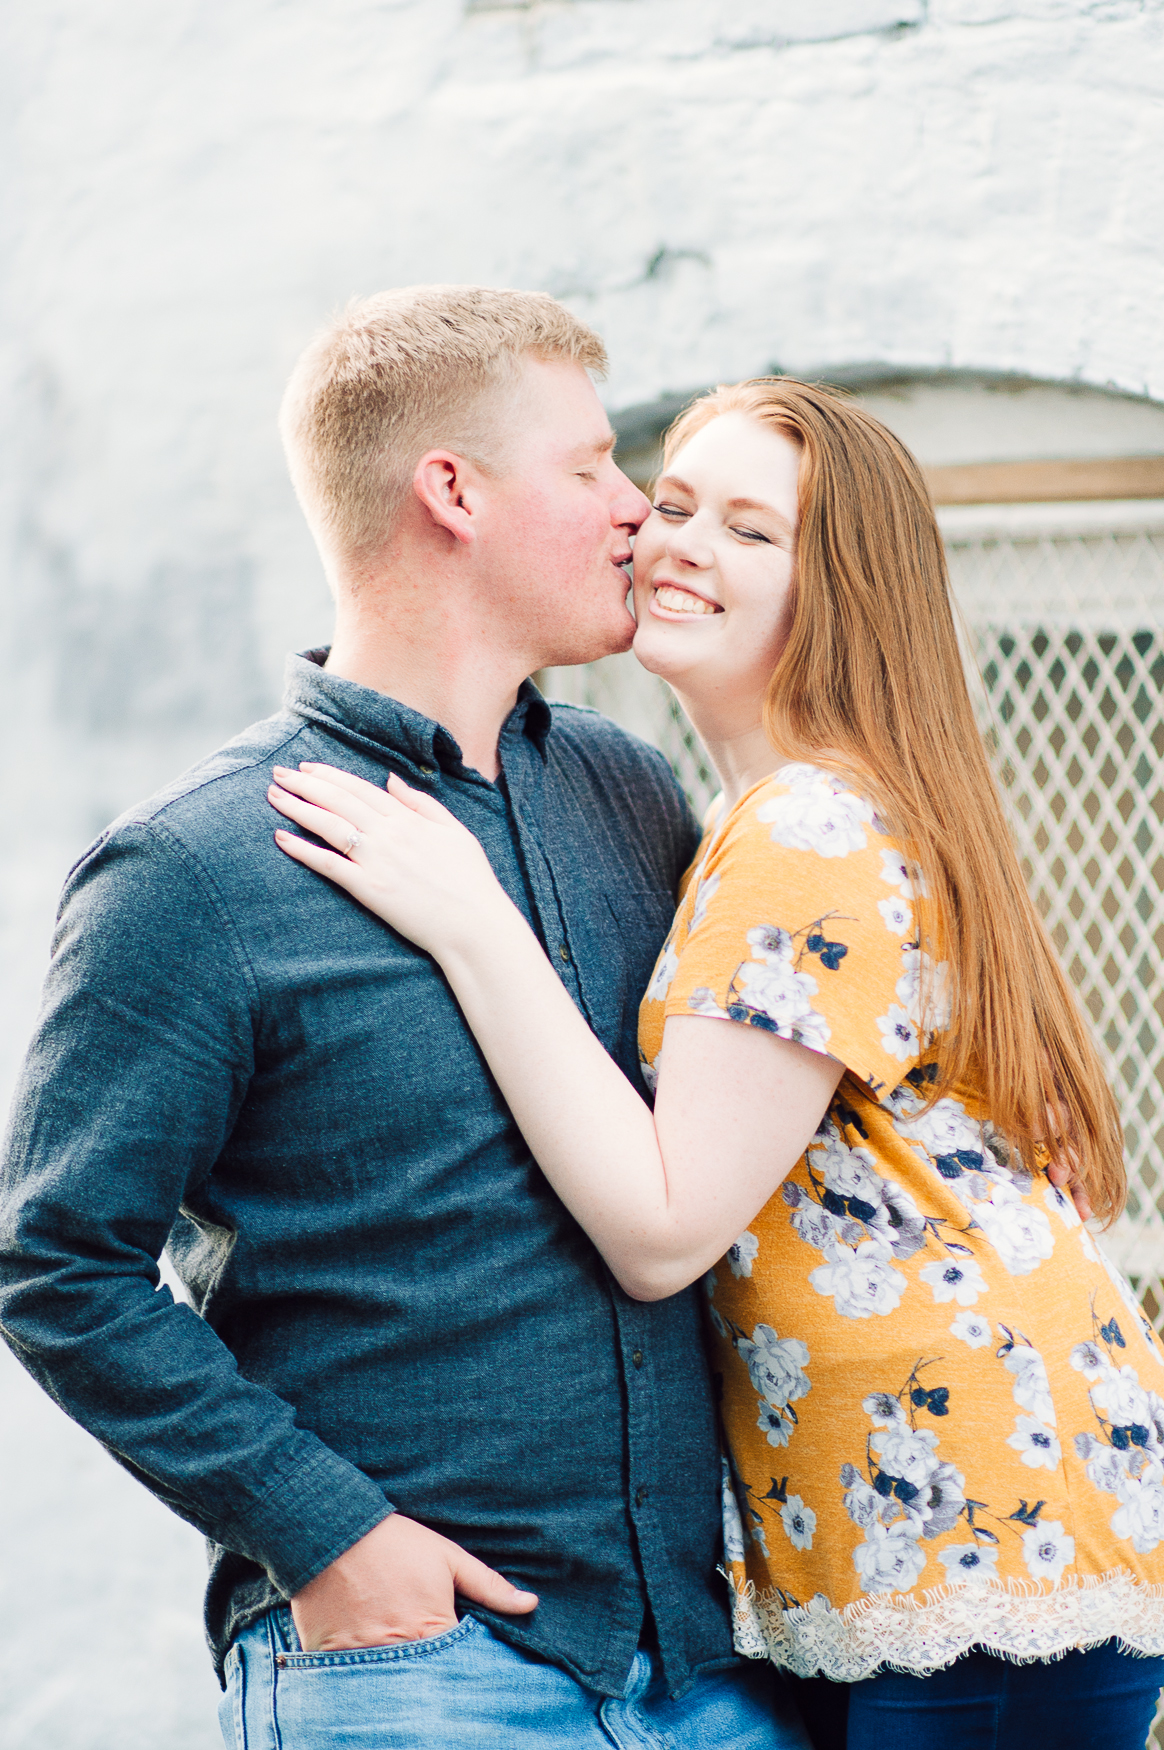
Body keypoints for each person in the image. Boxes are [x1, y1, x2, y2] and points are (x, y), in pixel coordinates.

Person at [266, 376, 1164, 1750]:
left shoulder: (804, 825)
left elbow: (664, 1225)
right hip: (974, 1527)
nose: (680, 541)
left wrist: (469, 919)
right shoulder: (786, 809)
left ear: (844, 590)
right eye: (673, 503)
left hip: (974, 1552)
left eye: (752, 529)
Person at [0, 291, 810, 1750]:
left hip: (707, 1673)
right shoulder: (195, 868)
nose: (637, 512)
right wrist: (326, 1535)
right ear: (453, 490)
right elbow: (58, 1260)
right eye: (592, 469)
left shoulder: (634, 798)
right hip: (418, 1677)